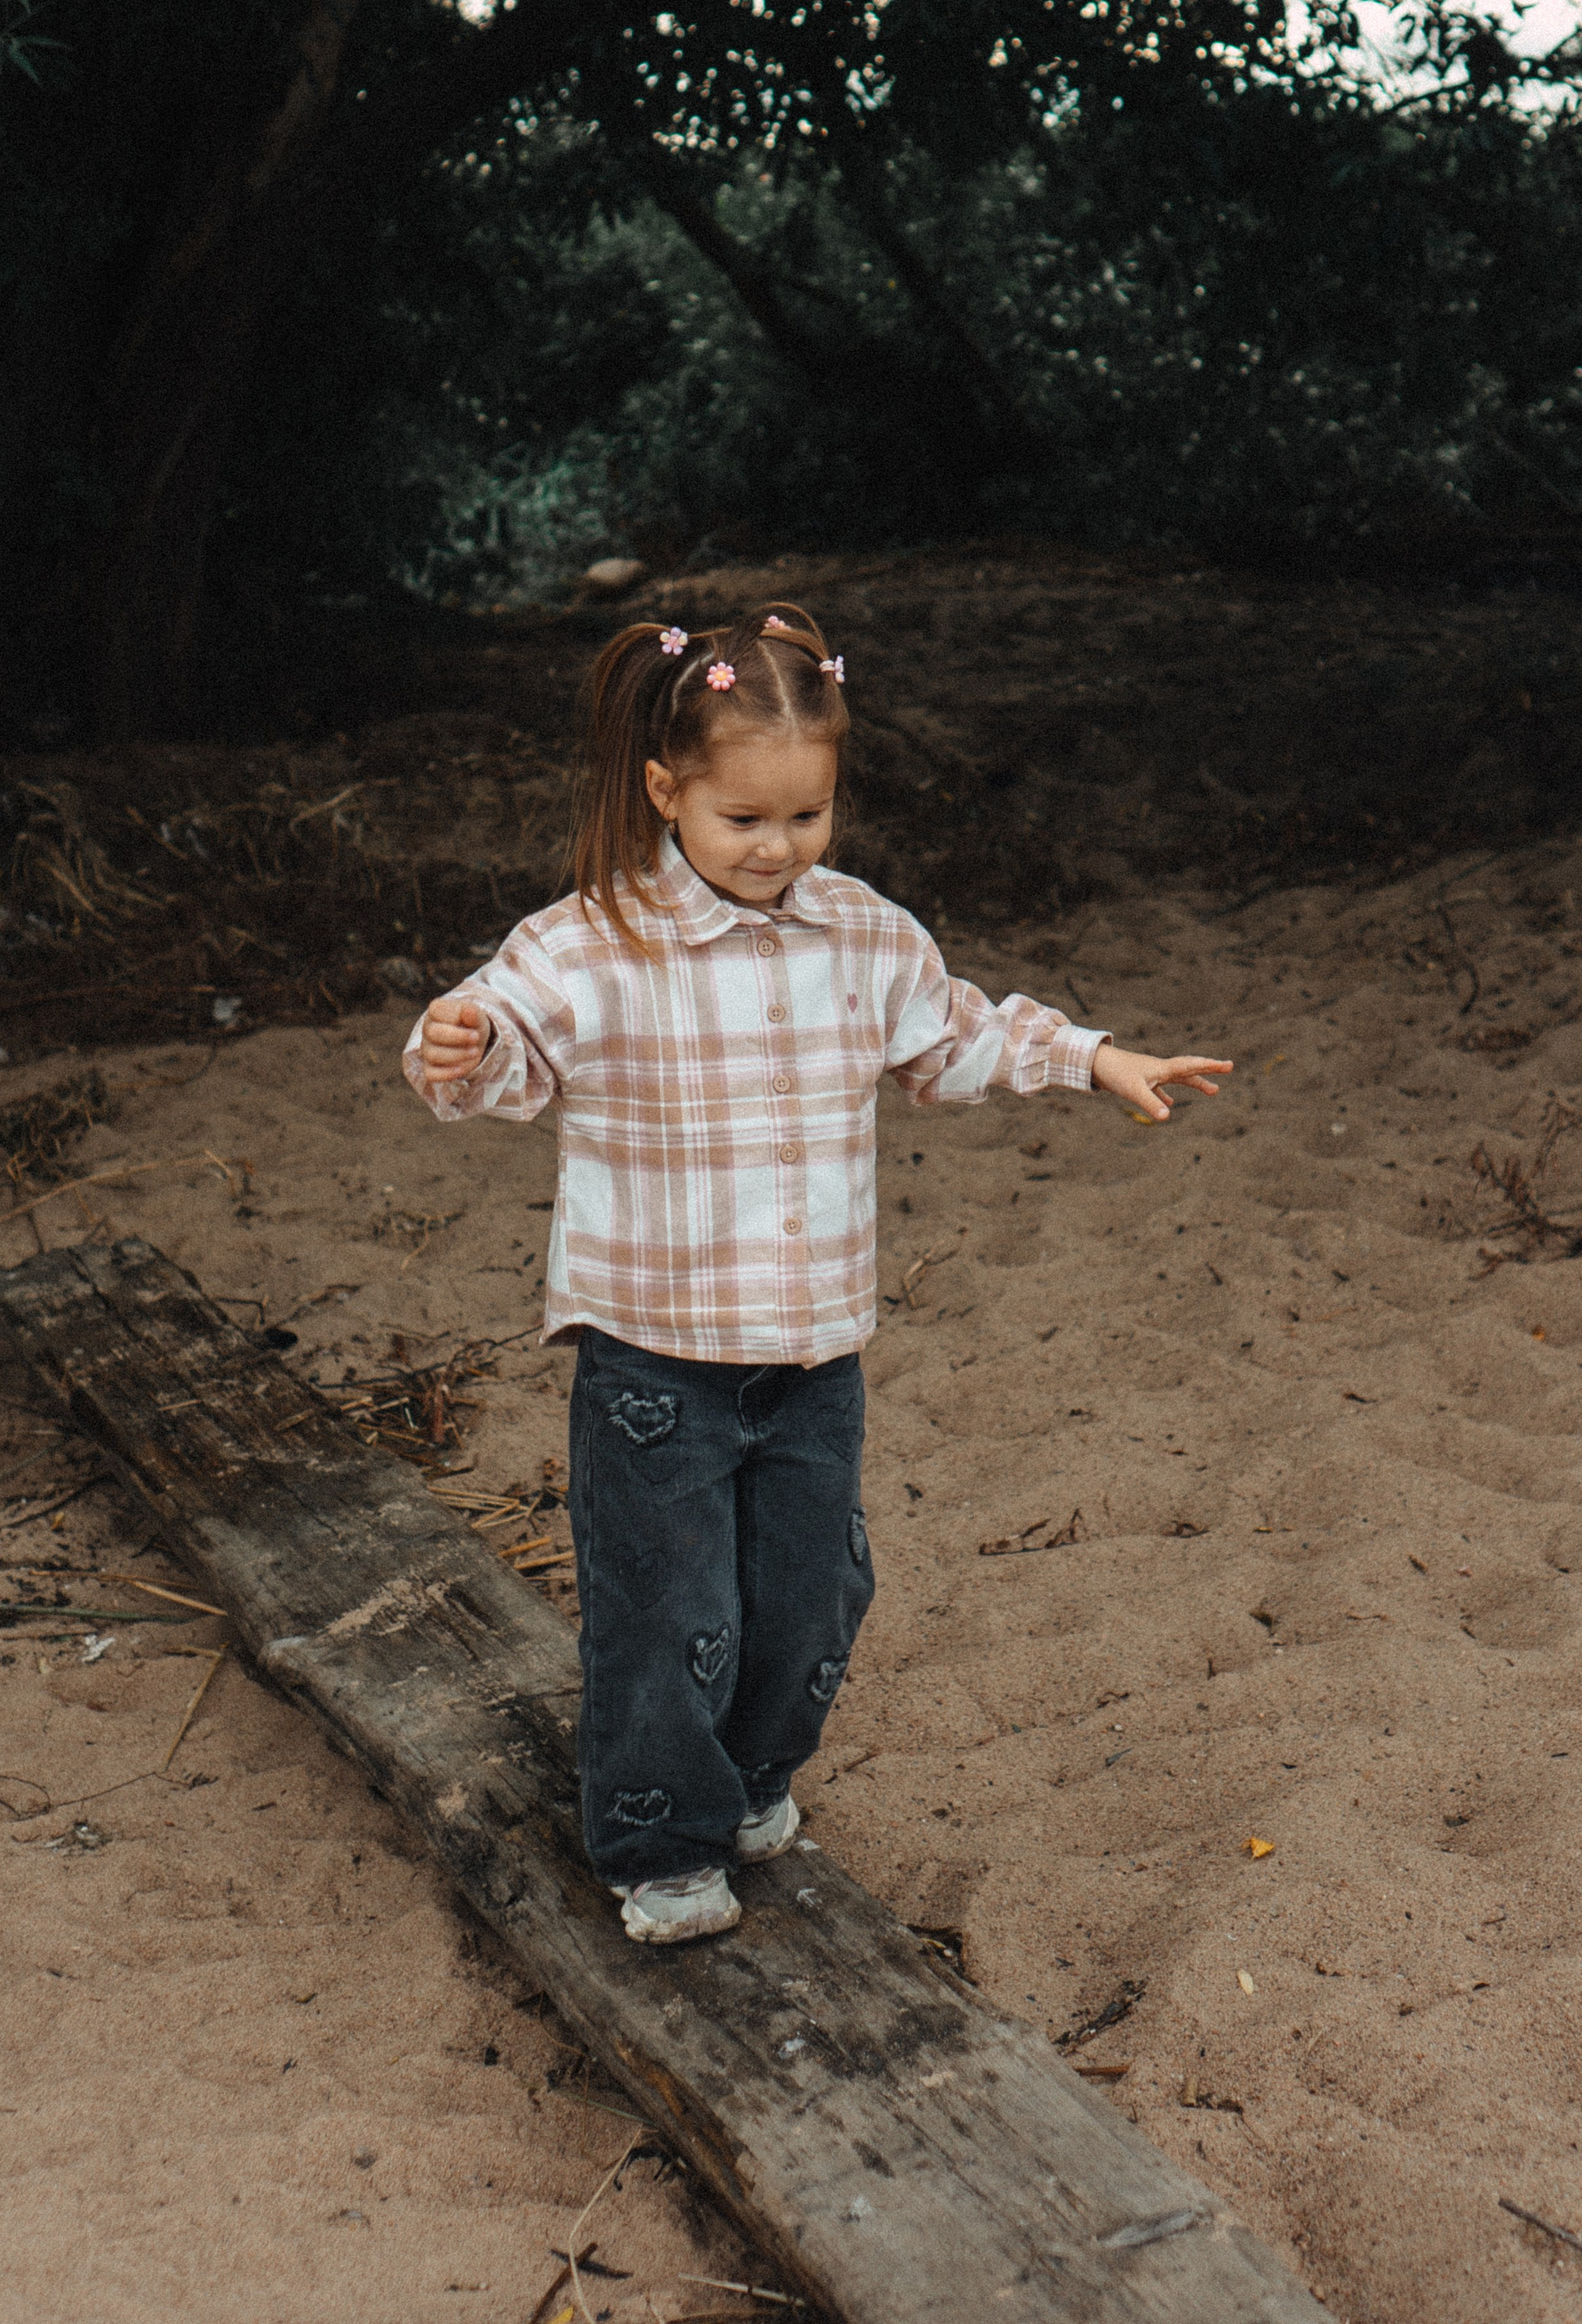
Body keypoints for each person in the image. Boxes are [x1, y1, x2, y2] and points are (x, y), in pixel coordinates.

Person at [402, 604, 1231, 1944]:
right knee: (672, 1610)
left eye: (808, 818)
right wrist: (458, 1045)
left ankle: (746, 1783)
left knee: (811, 1595)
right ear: (666, 792)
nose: (776, 850)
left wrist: (1087, 1056)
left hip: (809, 1359)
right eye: (743, 822)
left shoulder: (859, 935)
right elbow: (504, 1048)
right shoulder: (593, 942)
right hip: (655, 1364)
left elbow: (952, 1035)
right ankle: (657, 1844)